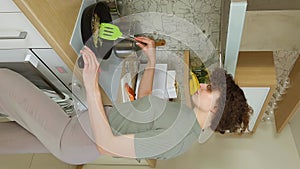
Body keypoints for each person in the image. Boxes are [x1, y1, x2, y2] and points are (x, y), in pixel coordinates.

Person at [0, 37, 252, 164]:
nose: (204, 85)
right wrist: (151, 62)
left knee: (4, 80)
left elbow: (106, 146)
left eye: (211, 89)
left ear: (215, 109)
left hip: (74, 137)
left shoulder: (178, 134)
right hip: (78, 131)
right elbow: (144, 101)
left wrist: (91, 86)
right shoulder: (185, 120)